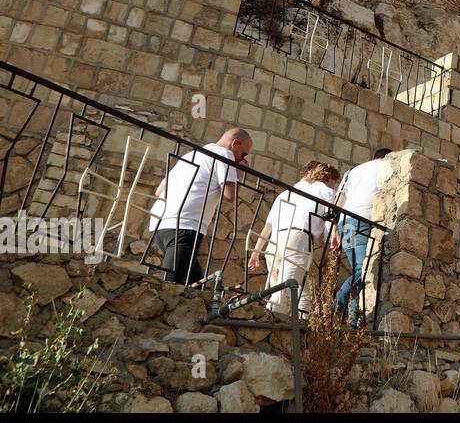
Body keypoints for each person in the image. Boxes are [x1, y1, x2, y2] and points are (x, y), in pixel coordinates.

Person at [148, 128, 252, 284]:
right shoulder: (225, 154)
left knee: (194, 284)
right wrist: (237, 173)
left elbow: (159, 191)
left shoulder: (191, 155)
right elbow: (229, 196)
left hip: (159, 223)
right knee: (170, 284)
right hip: (185, 226)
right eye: (244, 154)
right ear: (235, 144)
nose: (241, 159)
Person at [248, 161, 340, 316]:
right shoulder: (323, 190)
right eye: (334, 182)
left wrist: (256, 253)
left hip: (275, 241)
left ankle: (303, 323)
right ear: (328, 178)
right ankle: (271, 324)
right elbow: (332, 221)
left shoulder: (286, 193)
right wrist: (330, 248)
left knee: (300, 289)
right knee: (283, 291)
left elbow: (268, 226)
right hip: (297, 239)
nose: (334, 186)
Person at [331, 147, 392, 326]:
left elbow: (339, 201)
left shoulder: (353, 171)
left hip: (346, 224)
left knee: (359, 270)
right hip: (362, 222)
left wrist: (335, 229)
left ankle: (353, 321)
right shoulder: (385, 167)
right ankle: (336, 305)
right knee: (362, 271)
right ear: (387, 158)